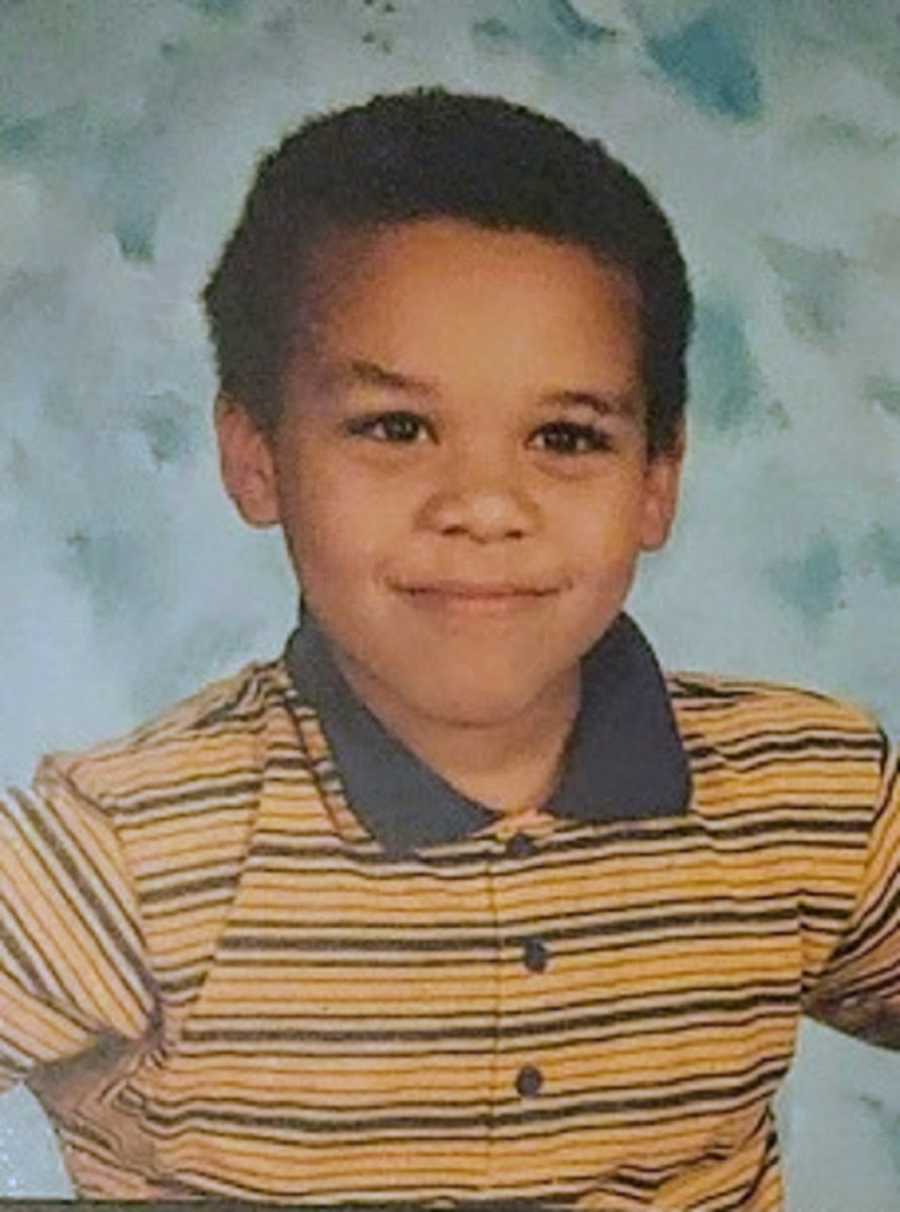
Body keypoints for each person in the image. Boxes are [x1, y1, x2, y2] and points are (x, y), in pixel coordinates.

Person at [1, 88, 898, 1210]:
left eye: (565, 437)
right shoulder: (128, 855)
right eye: (395, 428)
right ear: (258, 457)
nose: (484, 505)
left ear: (657, 480)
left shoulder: (811, 798)